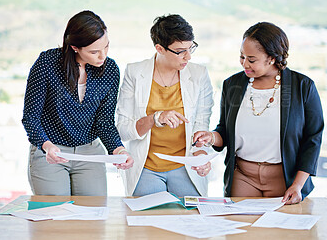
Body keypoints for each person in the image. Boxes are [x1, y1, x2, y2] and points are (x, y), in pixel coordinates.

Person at [193, 22, 324, 204]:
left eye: (251, 60)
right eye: (242, 57)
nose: (244, 64)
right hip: (243, 177)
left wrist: (298, 185)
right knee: (241, 230)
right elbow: (224, 131)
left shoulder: (302, 87)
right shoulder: (233, 85)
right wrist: (211, 137)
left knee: (282, 232)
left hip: (285, 179)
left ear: (271, 58)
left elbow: (313, 139)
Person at [22, 10, 134, 196]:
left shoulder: (110, 70)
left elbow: (104, 121)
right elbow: (31, 117)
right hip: (51, 152)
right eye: (94, 51)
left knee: (93, 217)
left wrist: (119, 149)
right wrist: (46, 145)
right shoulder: (47, 63)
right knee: (54, 217)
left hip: (89, 152)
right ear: (75, 47)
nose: (102, 56)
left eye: (106, 47)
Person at [116, 14, 214, 197]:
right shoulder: (135, 73)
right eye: (180, 51)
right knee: (147, 221)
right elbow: (123, 129)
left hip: (185, 166)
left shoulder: (199, 75)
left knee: (191, 220)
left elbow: (201, 126)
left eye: (191, 48)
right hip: (146, 166)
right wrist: (156, 118)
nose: (188, 56)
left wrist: (201, 155)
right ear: (160, 48)